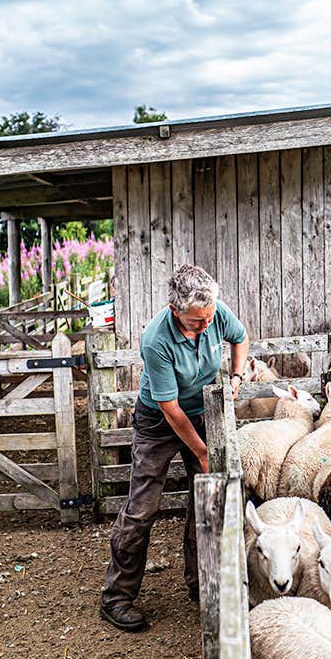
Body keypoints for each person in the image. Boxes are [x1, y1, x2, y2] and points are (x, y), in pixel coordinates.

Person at [99, 264, 248, 632]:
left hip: (202, 413)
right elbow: (170, 408)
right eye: (197, 321)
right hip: (159, 420)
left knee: (206, 500)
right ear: (175, 311)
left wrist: (236, 375)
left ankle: (202, 583)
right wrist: (202, 452)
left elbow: (240, 336)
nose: (206, 325)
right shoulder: (156, 340)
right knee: (142, 508)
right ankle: (117, 597)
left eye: (209, 317)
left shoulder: (213, 312)